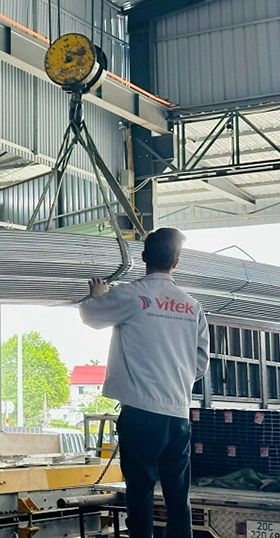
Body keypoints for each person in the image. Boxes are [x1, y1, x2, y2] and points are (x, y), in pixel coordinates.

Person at [79, 227, 210, 538]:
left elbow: (91, 315)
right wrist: (175, 379)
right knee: (178, 495)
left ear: (143, 257)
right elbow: (200, 363)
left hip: (141, 412)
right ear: (176, 263)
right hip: (177, 414)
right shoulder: (192, 307)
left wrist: (98, 295)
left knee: (140, 493)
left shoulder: (133, 295)